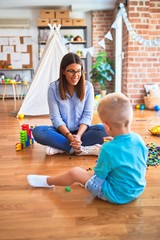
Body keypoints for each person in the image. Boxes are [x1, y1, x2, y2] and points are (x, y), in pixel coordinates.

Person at [27, 92, 148, 204]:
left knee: (75, 173)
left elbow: (99, 176)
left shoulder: (107, 149)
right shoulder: (138, 139)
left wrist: (85, 178)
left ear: (106, 125)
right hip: (136, 190)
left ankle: (48, 181)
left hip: (115, 194)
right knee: (98, 171)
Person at [32, 52, 107, 156]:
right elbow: (55, 117)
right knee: (38, 131)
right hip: (62, 132)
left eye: (78, 71)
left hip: (83, 132)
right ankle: (79, 149)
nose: (75, 76)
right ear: (63, 71)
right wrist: (70, 136)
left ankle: (62, 148)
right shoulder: (53, 88)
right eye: (71, 71)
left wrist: (78, 136)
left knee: (105, 130)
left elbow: (87, 115)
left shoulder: (88, 87)